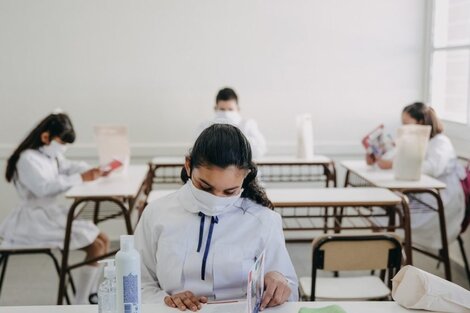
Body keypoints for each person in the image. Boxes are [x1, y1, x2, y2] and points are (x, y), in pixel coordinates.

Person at [135, 124, 298, 311]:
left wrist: (279, 282)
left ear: (245, 177)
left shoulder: (263, 220)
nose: (215, 200)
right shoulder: (157, 214)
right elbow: (137, 282)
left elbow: (290, 293)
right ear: (188, 166)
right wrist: (164, 301)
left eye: (230, 191)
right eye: (204, 187)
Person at [0, 112, 109, 304]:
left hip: (49, 214)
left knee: (103, 240)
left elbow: (69, 167)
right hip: (32, 221)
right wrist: (81, 178)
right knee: (95, 246)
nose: (63, 148)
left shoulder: (49, 155)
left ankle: (91, 293)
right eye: (62, 143)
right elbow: (43, 188)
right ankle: (80, 302)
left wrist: (93, 170)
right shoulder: (27, 159)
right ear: (45, 136)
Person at [367, 102, 466, 250]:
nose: (403, 128)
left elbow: (432, 168)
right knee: (380, 216)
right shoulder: (413, 139)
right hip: (420, 195)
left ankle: (393, 258)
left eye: (406, 123)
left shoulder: (440, 142)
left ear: (420, 122)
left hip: (440, 200)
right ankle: (388, 259)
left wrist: (394, 164)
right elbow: (392, 157)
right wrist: (376, 159)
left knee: (392, 219)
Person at [196, 87, 267, 159]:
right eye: (222, 109)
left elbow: (259, 150)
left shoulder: (248, 125)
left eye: (230, 109)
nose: (226, 113)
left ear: (238, 109)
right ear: (215, 109)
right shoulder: (204, 125)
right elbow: (197, 151)